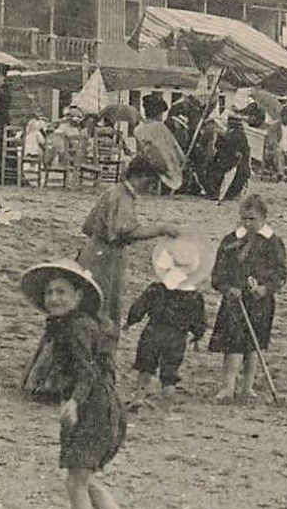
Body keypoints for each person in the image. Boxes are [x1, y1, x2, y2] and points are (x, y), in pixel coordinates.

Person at [18, 260, 137, 509]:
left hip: (93, 406)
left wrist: (74, 401)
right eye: (49, 293)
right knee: (81, 476)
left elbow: (88, 370)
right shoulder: (72, 324)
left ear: (78, 296)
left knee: (76, 481)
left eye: (62, 292)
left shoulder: (76, 327)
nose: (54, 298)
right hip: (97, 404)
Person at [76, 156, 180, 333]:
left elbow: (87, 226)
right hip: (106, 257)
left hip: (91, 252)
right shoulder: (122, 197)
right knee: (104, 308)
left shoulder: (114, 192)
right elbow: (126, 232)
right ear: (139, 176)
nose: (153, 185)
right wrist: (161, 229)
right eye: (151, 179)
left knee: (88, 304)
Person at [209, 195, 287, 401]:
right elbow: (218, 273)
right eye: (244, 218)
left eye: (252, 219)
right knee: (232, 342)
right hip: (235, 300)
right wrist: (227, 288)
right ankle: (228, 386)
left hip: (260, 301)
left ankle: (247, 387)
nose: (247, 223)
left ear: (263, 218)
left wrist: (265, 288)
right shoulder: (230, 240)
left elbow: (280, 274)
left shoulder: (273, 243)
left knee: (255, 344)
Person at [125, 238, 208, 399]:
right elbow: (199, 319)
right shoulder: (194, 295)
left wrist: (130, 322)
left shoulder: (156, 288)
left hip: (153, 331)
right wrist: (197, 335)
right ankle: (166, 405)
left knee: (145, 366)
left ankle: (139, 397)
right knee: (170, 372)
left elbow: (139, 307)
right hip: (177, 336)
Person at [131, 95, 184, 193]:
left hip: (145, 163)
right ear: (158, 114)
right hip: (161, 165)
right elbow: (174, 146)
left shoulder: (138, 129)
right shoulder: (161, 127)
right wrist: (182, 159)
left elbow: (139, 150)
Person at [209, 114, 252, 202]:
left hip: (234, 163)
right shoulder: (230, 134)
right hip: (227, 160)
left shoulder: (238, 135)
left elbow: (241, 151)